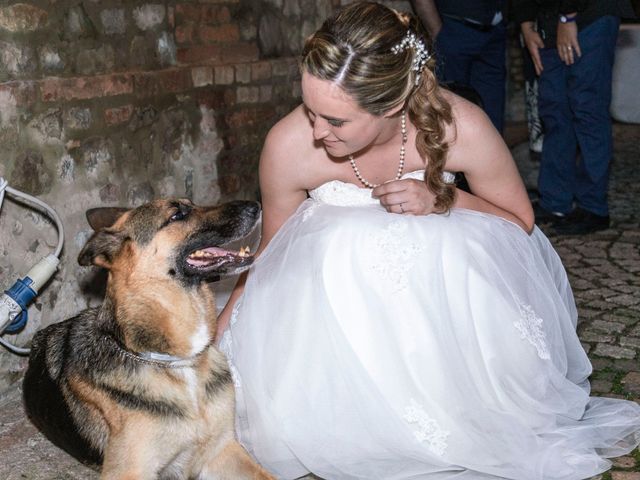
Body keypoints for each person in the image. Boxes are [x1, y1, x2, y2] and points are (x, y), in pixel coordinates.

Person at [217, 2, 640, 479]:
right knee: (338, 237)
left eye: (336, 121)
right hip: (330, 310)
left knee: (447, 242)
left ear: (393, 105)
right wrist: (221, 337)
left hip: (440, 309)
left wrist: (443, 199)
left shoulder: (460, 124)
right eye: (310, 109)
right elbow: (271, 253)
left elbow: (519, 219)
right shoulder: (288, 145)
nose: (317, 131)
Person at [515, 0, 635, 235]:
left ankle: (593, 206)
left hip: (589, 12)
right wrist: (525, 23)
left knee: (587, 108)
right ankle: (555, 201)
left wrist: (567, 16)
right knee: (555, 110)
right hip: (549, 18)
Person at [411, 0, 507, 133]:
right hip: (454, 28)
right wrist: (438, 33)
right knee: (449, 114)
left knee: (493, 114)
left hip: (494, 30)